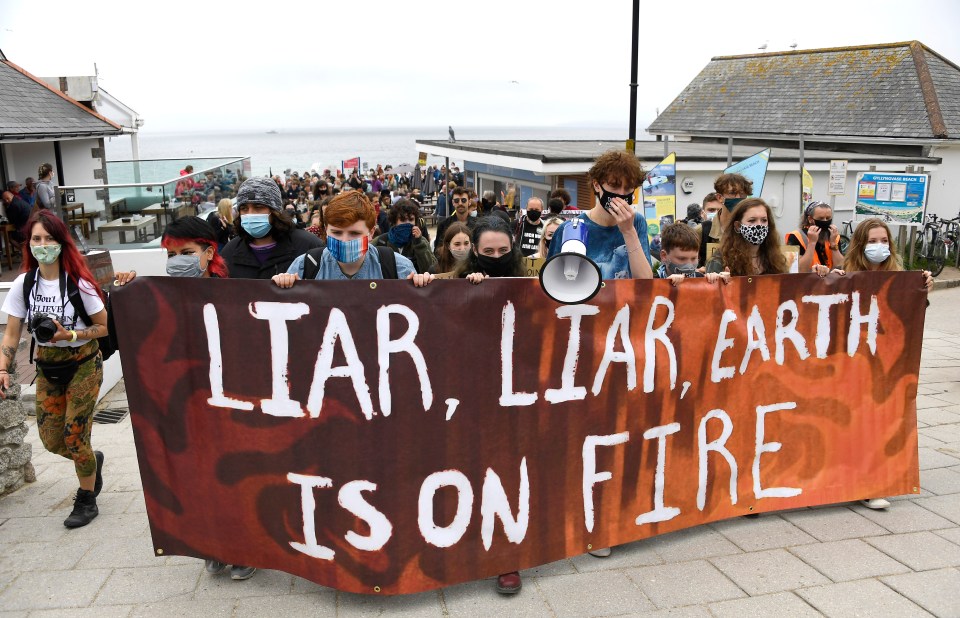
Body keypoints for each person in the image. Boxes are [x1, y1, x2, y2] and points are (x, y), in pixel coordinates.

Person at [0, 210, 108, 528]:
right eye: (36, 239)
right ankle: (91, 460)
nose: (42, 244)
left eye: (49, 238)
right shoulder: (24, 284)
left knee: (74, 438)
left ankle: (86, 499)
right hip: (48, 366)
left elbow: (102, 327)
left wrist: (70, 334)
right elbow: (11, 332)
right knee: (51, 440)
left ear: (62, 242)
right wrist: (4, 369)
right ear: (29, 243)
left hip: (83, 364)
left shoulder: (79, 284)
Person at [831, 217, 933, 509]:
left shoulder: (901, 277)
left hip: (885, 364)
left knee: (879, 420)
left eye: (884, 241)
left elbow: (912, 315)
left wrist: (923, 288)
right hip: (850, 362)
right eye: (873, 241)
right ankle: (844, 478)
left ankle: (873, 484)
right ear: (861, 245)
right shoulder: (845, 275)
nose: (879, 247)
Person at [272, 190, 431, 286]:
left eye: (354, 233)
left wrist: (422, 287)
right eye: (337, 233)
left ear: (371, 233)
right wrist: (283, 287)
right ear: (326, 230)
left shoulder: (399, 268)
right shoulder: (304, 267)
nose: (345, 240)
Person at [547, 149, 653, 281]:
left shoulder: (636, 222)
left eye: (628, 188)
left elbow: (646, 280)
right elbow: (551, 281)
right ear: (597, 185)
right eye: (614, 186)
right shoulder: (570, 228)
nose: (621, 194)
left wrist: (628, 231)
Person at [221, 177, 324, 279]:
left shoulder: (309, 246)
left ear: (275, 211)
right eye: (244, 208)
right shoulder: (230, 252)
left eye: (258, 207)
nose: (250, 214)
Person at [706, 198, 788, 276]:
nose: (759, 225)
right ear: (738, 226)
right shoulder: (720, 261)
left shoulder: (776, 260)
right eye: (752, 220)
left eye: (764, 220)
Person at [372, 199, 438, 274]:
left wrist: (419, 244)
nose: (407, 223)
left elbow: (430, 270)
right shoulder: (381, 241)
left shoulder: (421, 242)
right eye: (403, 220)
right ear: (394, 222)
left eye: (411, 219)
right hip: (388, 285)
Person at [655, 222, 729, 286]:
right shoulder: (653, 282)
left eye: (694, 258)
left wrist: (720, 284)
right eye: (682, 258)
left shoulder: (701, 279)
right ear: (664, 256)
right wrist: (665, 286)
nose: (689, 265)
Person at [786, 200, 844, 275]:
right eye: (821, 218)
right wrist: (812, 243)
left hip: (830, 282)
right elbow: (794, 270)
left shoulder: (834, 236)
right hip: (806, 283)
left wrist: (833, 244)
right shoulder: (794, 236)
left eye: (828, 218)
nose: (825, 221)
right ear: (810, 219)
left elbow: (841, 266)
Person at [434, 187, 477, 251]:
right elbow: (437, 250)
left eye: (463, 200)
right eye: (456, 200)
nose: (460, 203)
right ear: (453, 203)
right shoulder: (444, 225)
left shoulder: (478, 224)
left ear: (469, 202)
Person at [697, 192, 724, 267]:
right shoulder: (698, 231)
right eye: (711, 210)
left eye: (719, 210)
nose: (716, 213)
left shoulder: (730, 232)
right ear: (703, 213)